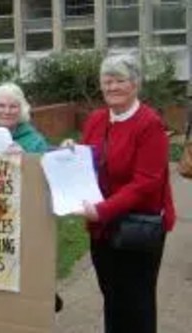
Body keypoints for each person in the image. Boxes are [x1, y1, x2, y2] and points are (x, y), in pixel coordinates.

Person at [71, 54, 176, 333]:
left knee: (137, 302)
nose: (112, 87)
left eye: (120, 80)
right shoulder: (96, 119)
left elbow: (147, 183)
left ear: (135, 85)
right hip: (102, 227)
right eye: (107, 81)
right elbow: (88, 160)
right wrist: (71, 152)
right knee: (113, 297)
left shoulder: (149, 123)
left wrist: (102, 209)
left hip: (138, 227)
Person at [0, 82, 63, 312]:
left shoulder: (34, 139)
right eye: (1, 106)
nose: (7, 111)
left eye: (13, 106)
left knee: (26, 273)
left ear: (22, 109)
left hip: (25, 221)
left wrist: (25, 161)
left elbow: (47, 179)